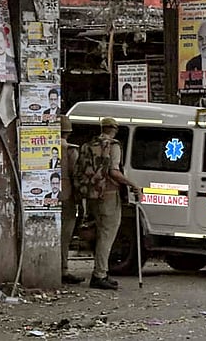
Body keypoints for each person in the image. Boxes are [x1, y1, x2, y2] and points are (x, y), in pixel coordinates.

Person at [82, 117, 139, 290]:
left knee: (101, 233)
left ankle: (102, 272)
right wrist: (132, 184)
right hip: (108, 194)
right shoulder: (113, 146)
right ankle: (100, 274)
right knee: (107, 235)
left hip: (92, 195)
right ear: (114, 129)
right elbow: (113, 172)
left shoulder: (89, 145)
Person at [58, 115, 83, 284]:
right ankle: (63, 269)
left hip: (49, 196)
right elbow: (77, 175)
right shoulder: (70, 150)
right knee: (65, 236)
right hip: (67, 196)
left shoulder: (47, 146)